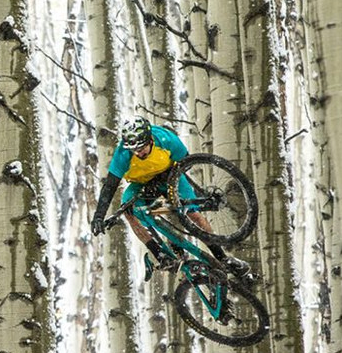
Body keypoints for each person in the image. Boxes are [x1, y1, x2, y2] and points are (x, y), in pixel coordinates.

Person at [90, 115, 246, 279]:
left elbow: (187, 162)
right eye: (134, 150)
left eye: (142, 147)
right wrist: (99, 216)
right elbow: (109, 187)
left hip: (171, 176)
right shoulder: (122, 155)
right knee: (127, 209)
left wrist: (163, 178)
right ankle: (160, 254)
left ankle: (222, 258)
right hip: (141, 184)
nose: (139, 152)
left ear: (150, 138)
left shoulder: (166, 139)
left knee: (194, 215)